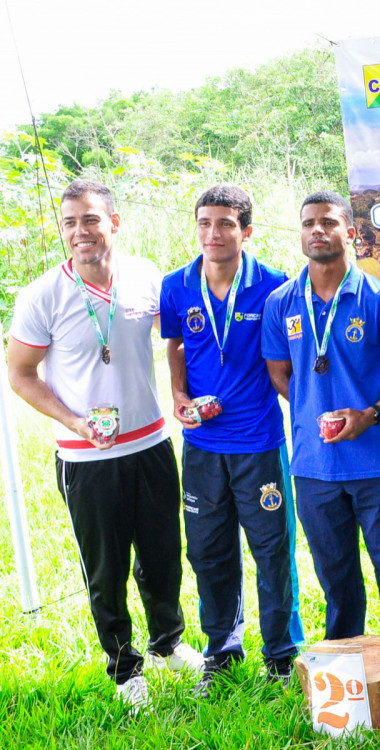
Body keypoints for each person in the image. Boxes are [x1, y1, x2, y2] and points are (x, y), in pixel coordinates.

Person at [6, 179, 204, 713]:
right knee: (107, 568)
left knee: (164, 554)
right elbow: (21, 374)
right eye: (69, 222)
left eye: (90, 219)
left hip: (153, 443)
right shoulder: (41, 294)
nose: (80, 231)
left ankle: (169, 643)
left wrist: (184, 393)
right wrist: (72, 420)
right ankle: (124, 668)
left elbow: (177, 338)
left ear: (114, 222)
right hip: (87, 459)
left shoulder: (145, 276)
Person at [261, 191, 380, 699]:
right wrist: (311, 406)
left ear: (351, 234)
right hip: (314, 466)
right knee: (335, 573)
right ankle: (342, 665)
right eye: (308, 223)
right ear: (300, 235)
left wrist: (370, 414)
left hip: (376, 461)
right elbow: (281, 373)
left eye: (328, 222)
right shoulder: (282, 304)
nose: (316, 230)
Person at [160, 185, 305, 696]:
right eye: (204, 222)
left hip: (259, 443)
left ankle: (282, 654)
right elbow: (176, 344)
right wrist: (179, 395)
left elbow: (289, 360)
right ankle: (221, 649)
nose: (213, 233)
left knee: (272, 550)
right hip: (202, 446)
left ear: (247, 230)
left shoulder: (274, 286)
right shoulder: (176, 285)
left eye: (225, 223)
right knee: (207, 550)